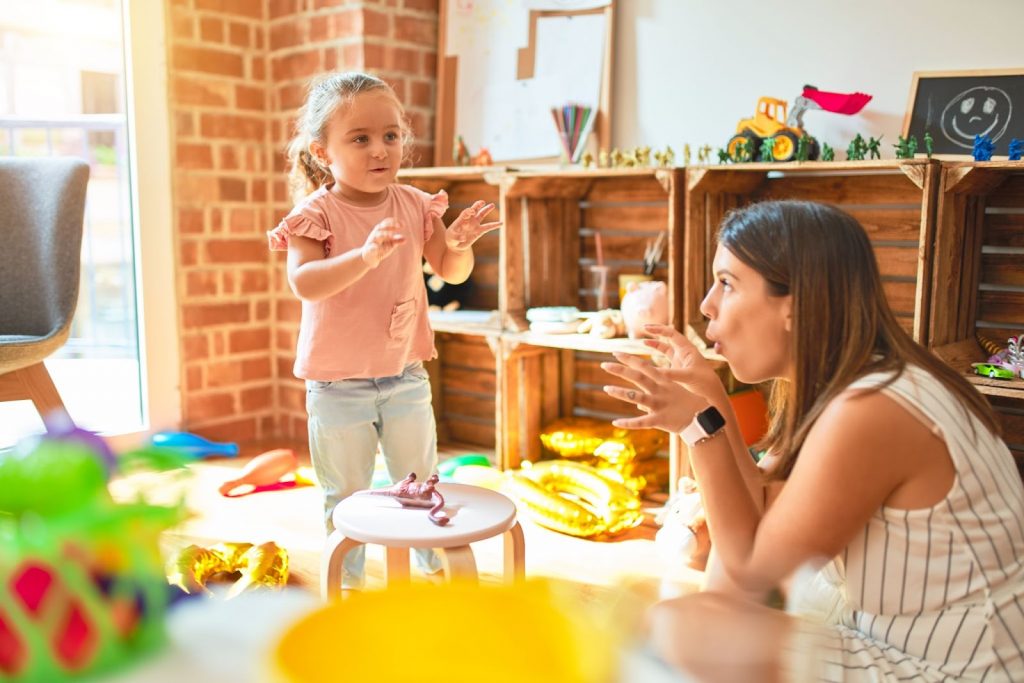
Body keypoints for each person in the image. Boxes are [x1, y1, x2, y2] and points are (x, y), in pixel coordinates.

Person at [602, 200, 1024, 680]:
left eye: (727, 283)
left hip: (958, 669)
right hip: (917, 645)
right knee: (684, 623)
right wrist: (711, 396)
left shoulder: (872, 410)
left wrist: (701, 428)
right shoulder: (859, 383)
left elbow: (749, 573)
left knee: (672, 626)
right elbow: (761, 508)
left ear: (795, 303)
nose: (705, 305)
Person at [267, 72, 501, 589]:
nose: (381, 150)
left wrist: (459, 244)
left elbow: (449, 269)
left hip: (404, 375)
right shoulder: (314, 215)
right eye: (361, 138)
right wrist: (366, 255)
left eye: (391, 135)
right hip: (335, 385)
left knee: (418, 484)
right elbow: (305, 282)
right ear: (323, 152)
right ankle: (346, 585)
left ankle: (432, 569)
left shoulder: (416, 204)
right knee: (345, 495)